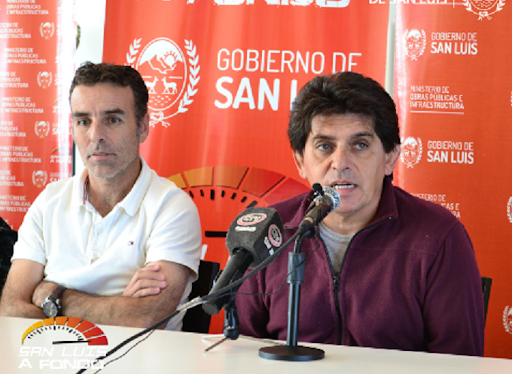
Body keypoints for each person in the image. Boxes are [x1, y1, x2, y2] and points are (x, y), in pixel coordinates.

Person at [236, 72, 484, 355]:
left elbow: (460, 364)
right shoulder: (267, 231)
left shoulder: (439, 237)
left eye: (360, 145)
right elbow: (241, 352)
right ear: (300, 161)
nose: (340, 163)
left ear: (390, 157)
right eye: (325, 146)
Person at [0, 62, 201, 330]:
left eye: (113, 120)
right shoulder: (49, 201)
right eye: (83, 121)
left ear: (142, 127)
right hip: (47, 355)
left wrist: (55, 296)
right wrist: (118, 307)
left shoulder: (172, 207)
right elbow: (11, 310)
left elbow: (144, 317)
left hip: (136, 358)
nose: (96, 135)